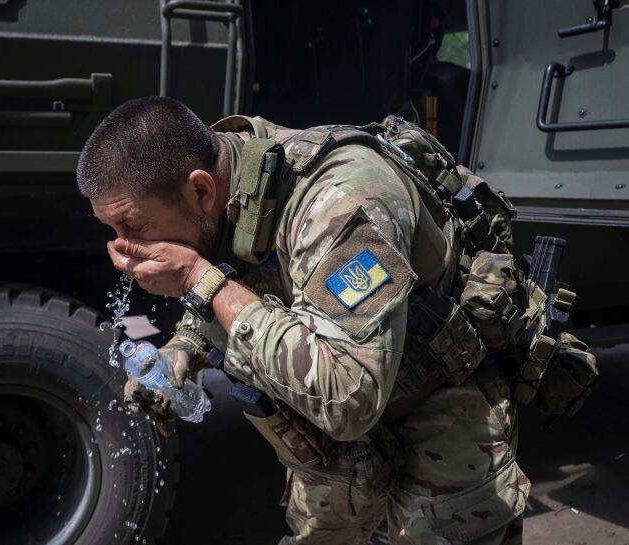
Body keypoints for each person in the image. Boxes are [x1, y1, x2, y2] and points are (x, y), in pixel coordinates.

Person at [76, 96, 529, 545]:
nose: (122, 250)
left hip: (438, 404)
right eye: (110, 231)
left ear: (199, 190)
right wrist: (184, 347)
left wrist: (199, 279)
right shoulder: (228, 181)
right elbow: (247, 273)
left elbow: (348, 397)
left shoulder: (343, 200)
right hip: (344, 456)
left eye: (132, 226)